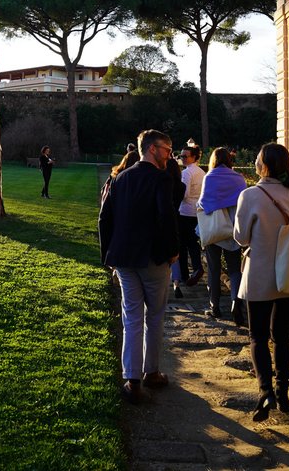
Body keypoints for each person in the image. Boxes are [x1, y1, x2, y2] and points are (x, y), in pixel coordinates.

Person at [234, 142, 289, 421]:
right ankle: (283, 393)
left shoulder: (251, 195)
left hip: (259, 274)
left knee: (257, 335)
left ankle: (264, 390)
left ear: (263, 165)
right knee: (281, 336)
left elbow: (241, 237)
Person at [99, 129, 180, 405]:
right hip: (152, 257)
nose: (171, 155)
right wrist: (172, 251)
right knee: (155, 316)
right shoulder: (160, 178)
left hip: (123, 257)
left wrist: (107, 256)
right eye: (167, 149)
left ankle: (132, 380)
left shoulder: (120, 178)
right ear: (152, 149)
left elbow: (105, 219)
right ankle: (152, 372)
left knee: (131, 317)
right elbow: (165, 217)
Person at [198, 147, 248, 324]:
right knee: (235, 270)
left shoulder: (209, 177)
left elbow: (204, 203)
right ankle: (236, 302)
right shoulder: (239, 178)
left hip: (215, 229)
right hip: (233, 229)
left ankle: (215, 307)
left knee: (214, 269)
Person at [177, 142, 206, 288]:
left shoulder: (186, 173)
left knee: (182, 244)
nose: (182, 158)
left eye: (185, 156)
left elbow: (185, 193)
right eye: (181, 155)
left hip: (185, 211)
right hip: (197, 211)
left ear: (194, 157)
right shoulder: (201, 172)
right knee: (193, 242)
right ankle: (197, 267)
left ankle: (184, 274)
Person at [164, 154, 187, 298]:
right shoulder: (181, 186)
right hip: (177, 217)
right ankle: (176, 282)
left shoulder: (163, 183)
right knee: (175, 251)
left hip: (164, 218)